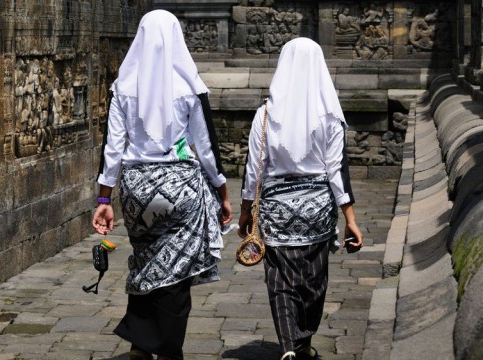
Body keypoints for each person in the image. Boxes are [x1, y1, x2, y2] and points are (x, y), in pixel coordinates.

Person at [92, 9, 232, 360]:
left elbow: (113, 148)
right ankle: (168, 349)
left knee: (146, 260)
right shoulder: (188, 86)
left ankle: (141, 343)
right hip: (179, 186)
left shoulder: (123, 86)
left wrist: (104, 198)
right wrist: (222, 190)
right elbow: (205, 147)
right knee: (177, 270)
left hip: (137, 190)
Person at [238, 37, 363, 360]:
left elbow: (254, 172)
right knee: (313, 279)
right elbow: (336, 172)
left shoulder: (264, 115)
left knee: (279, 278)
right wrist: (350, 220)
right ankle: (303, 338)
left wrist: (244, 213)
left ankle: (289, 344)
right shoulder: (330, 117)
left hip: (276, 211)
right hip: (318, 211)